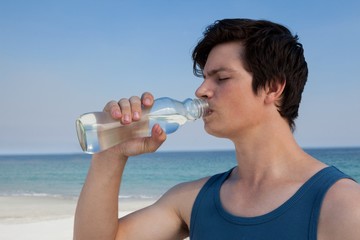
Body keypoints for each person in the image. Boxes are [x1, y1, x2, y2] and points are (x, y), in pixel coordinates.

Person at [74, 19, 360, 240]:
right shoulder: (191, 200)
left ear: (273, 87)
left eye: (221, 78)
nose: (201, 91)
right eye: (204, 78)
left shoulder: (343, 205)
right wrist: (111, 154)